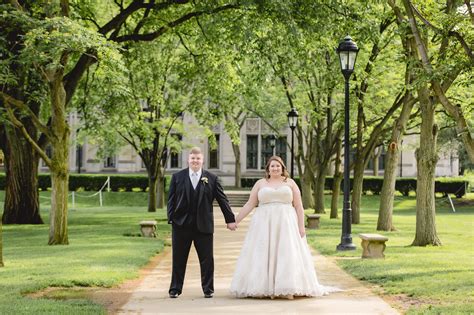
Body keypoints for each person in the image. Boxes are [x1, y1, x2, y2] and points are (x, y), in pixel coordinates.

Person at [230, 156, 338, 299]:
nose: (275, 168)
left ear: (282, 168)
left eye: (278, 166)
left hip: (286, 223)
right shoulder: (260, 183)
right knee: (263, 253)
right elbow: (250, 204)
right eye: (272, 166)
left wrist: (301, 226)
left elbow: (299, 206)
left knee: (286, 253)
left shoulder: (291, 183)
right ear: (268, 169)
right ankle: (262, 286)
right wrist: (235, 220)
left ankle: (287, 287)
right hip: (263, 224)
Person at [167, 147, 237, 299]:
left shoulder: (211, 178)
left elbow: (222, 199)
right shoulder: (177, 177)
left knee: (207, 260)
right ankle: (175, 289)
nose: (195, 161)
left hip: (203, 226)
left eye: (198, 158)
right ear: (188, 159)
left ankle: (208, 289)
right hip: (181, 225)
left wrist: (230, 219)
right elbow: (171, 200)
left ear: (202, 160)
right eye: (192, 158)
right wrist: (171, 218)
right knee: (178, 258)